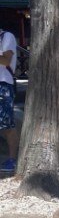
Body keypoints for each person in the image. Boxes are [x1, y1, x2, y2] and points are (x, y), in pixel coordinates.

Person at [0, 27, 19, 173]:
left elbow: (6, 60)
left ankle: (12, 159)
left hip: (3, 84)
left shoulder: (7, 37)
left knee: (7, 124)